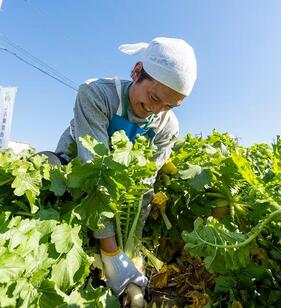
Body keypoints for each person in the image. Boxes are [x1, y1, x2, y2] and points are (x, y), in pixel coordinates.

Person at [42, 37, 197, 297]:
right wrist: (111, 252)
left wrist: (129, 251)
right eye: (154, 97)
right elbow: (94, 173)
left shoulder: (167, 126)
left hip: (114, 190)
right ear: (137, 72)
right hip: (78, 169)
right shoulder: (96, 93)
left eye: (169, 106)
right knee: (51, 169)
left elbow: (144, 187)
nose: (156, 110)